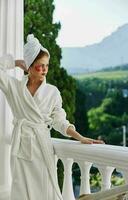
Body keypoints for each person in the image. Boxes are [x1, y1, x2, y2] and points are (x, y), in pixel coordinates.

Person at [0, 34, 104, 200]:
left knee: (44, 189)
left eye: (46, 66)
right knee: (20, 190)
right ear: (29, 66)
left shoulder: (52, 92)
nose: (44, 70)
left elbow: (60, 121)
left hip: (41, 148)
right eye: (39, 66)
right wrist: (15, 63)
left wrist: (80, 137)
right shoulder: (14, 87)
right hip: (20, 147)